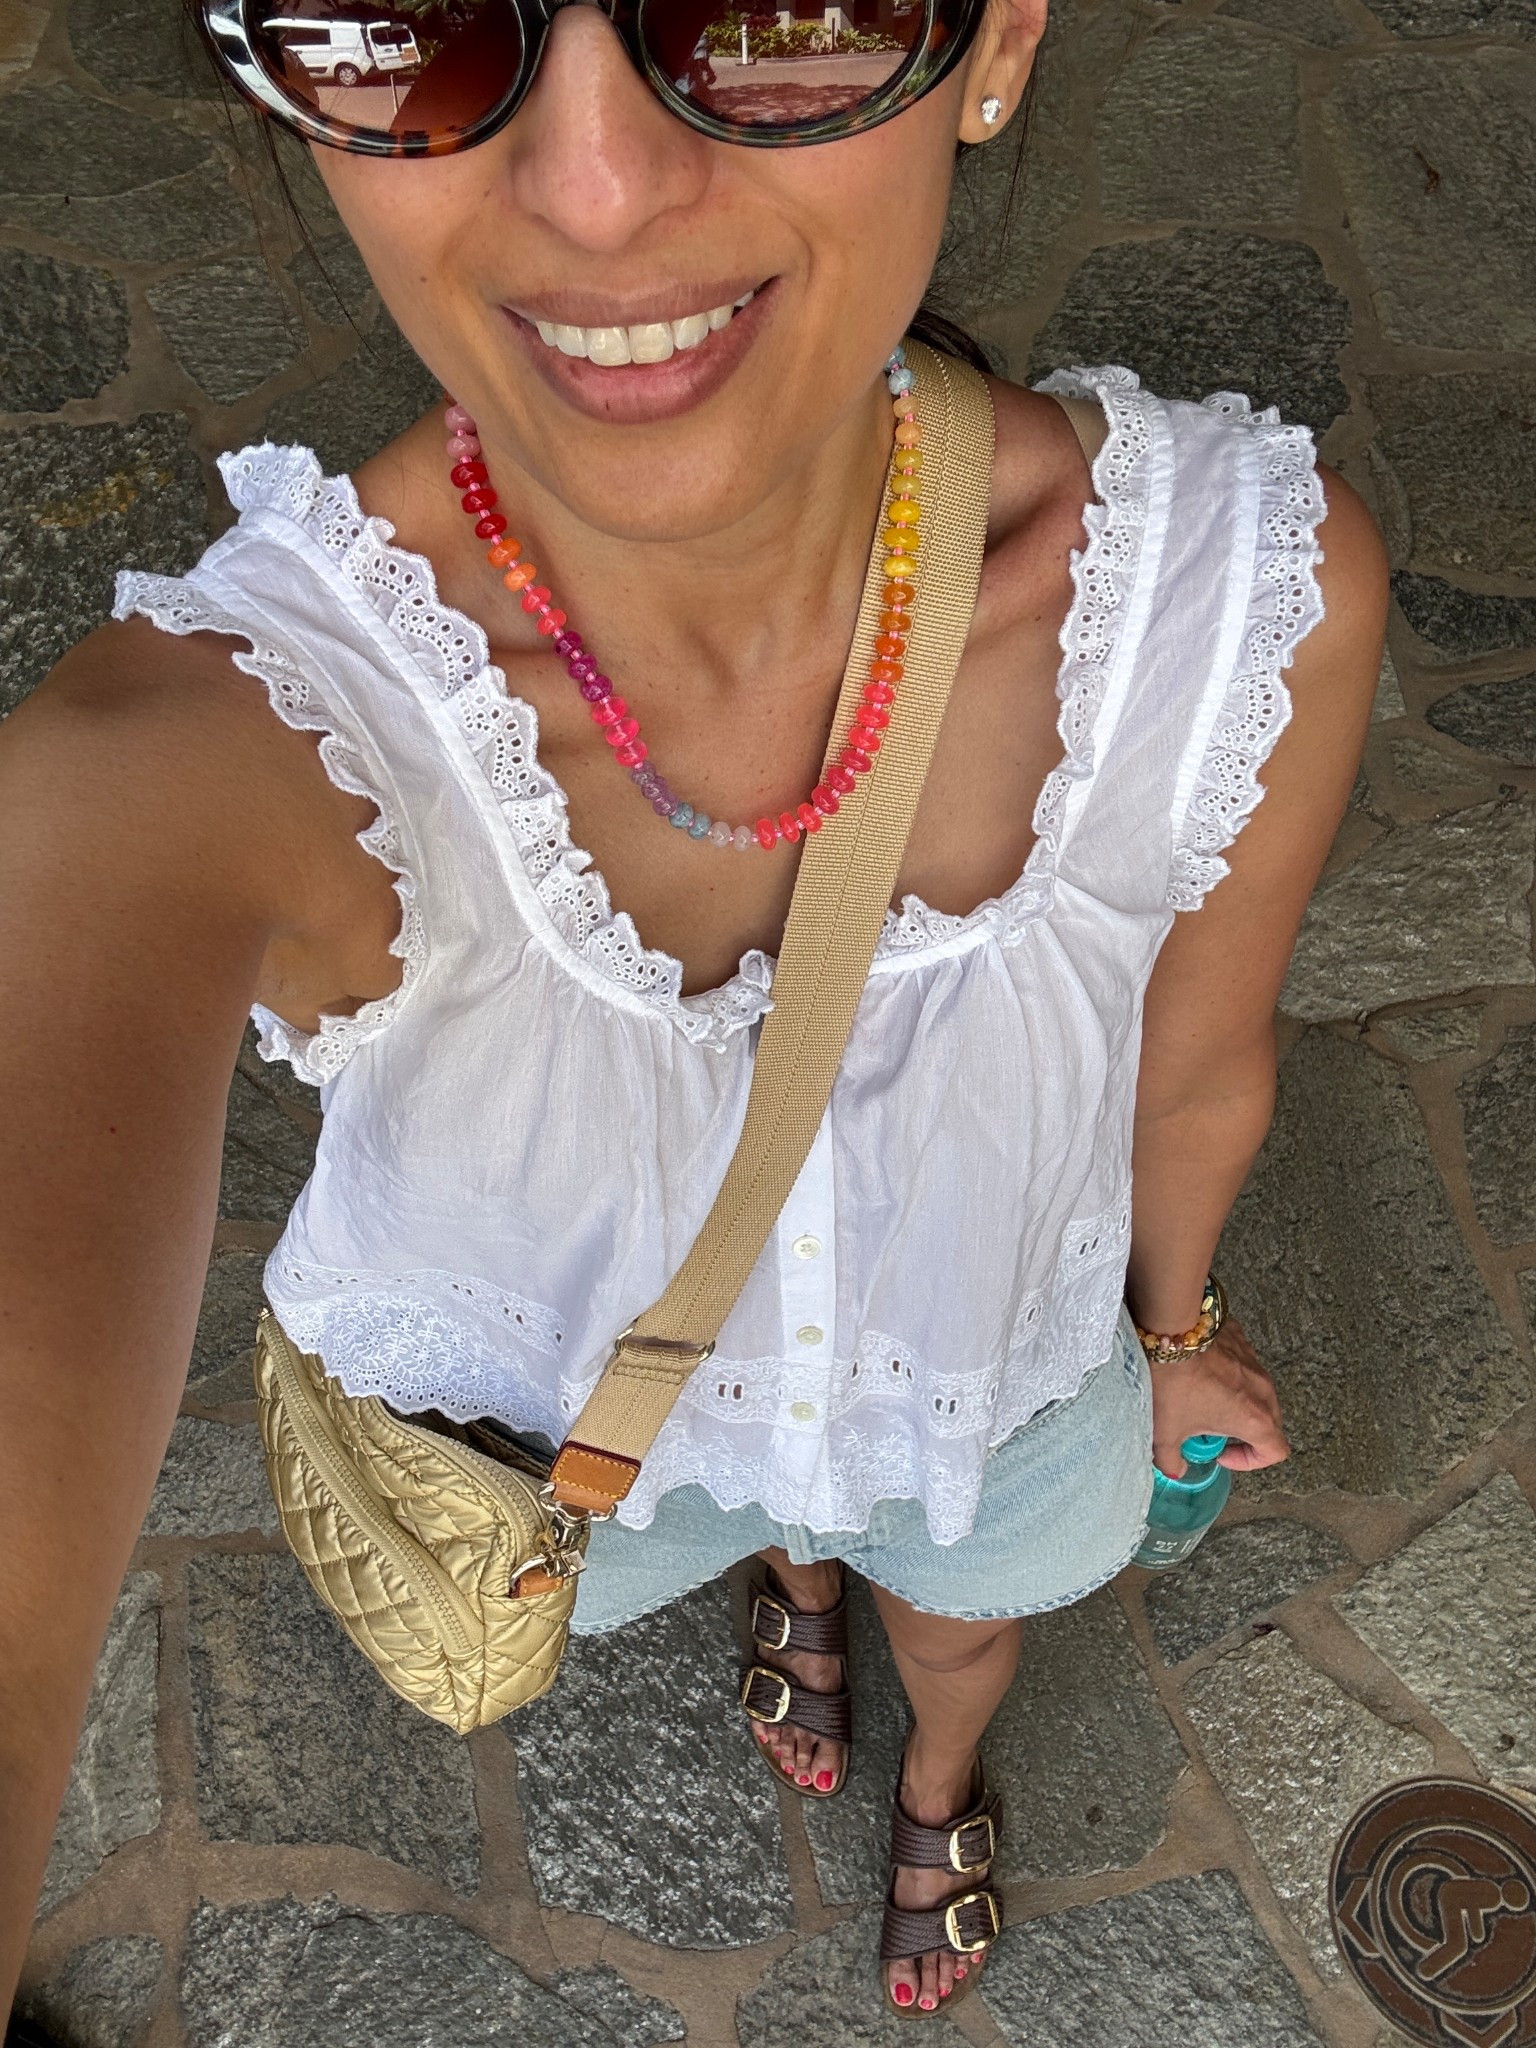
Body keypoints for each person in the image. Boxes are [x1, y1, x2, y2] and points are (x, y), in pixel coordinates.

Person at [0, 0, 1388, 2020]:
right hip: (607, 1452)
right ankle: (806, 1597)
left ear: (1000, 41)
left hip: (995, 1382)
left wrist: (1167, 1331)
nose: (596, 182)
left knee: (965, 1626)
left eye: (772, 6)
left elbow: (1195, 1071)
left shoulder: (1231, 603)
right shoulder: (220, 745)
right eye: (400, 10)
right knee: (812, 1542)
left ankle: (935, 1775)